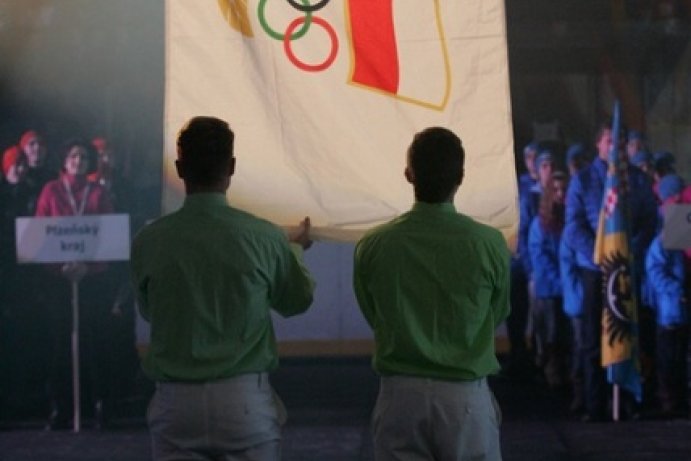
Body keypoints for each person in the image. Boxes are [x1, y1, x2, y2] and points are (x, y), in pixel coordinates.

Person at [130, 116, 315, 461]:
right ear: (231, 167)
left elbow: (149, 310)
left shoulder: (148, 241)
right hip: (243, 404)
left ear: (180, 169)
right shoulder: (264, 237)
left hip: (175, 406)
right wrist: (294, 249)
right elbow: (297, 301)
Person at [353, 127, 509, 461]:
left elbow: (374, 313)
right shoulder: (489, 243)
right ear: (461, 177)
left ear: (409, 174)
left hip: (400, 398)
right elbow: (497, 311)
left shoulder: (374, 244)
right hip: (465, 399)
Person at [564, 120, 657, 422]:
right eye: (609, 141)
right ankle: (595, 405)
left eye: (619, 141)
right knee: (592, 340)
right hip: (594, 270)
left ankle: (629, 400)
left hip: (626, 269)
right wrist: (600, 253)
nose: (614, 146)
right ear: (598, 145)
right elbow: (573, 226)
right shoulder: (584, 180)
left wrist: (628, 251)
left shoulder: (637, 181)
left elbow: (648, 220)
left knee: (628, 334)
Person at [35, 138, 114, 429]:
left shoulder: (99, 192)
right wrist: (61, 266)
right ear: (64, 161)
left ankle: (98, 405)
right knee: (60, 343)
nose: (78, 161)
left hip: (91, 278)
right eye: (73, 156)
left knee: (94, 342)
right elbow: (40, 233)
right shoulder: (51, 191)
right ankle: (60, 407)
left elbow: (107, 234)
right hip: (58, 279)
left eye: (83, 156)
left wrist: (87, 266)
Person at [645, 174, 689, 419]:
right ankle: (669, 400)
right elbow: (656, 270)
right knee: (668, 358)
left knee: (679, 357)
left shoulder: (680, 228)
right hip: (669, 309)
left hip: (680, 310)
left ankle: (678, 398)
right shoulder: (666, 234)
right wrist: (677, 290)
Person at [528, 171, 570, 389]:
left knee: (567, 337)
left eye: (564, 190)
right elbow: (541, 260)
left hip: (568, 289)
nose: (561, 195)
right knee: (551, 336)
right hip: (551, 289)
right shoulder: (539, 225)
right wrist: (562, 282)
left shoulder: (570, 219)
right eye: (556, 190)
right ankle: (552, 378)